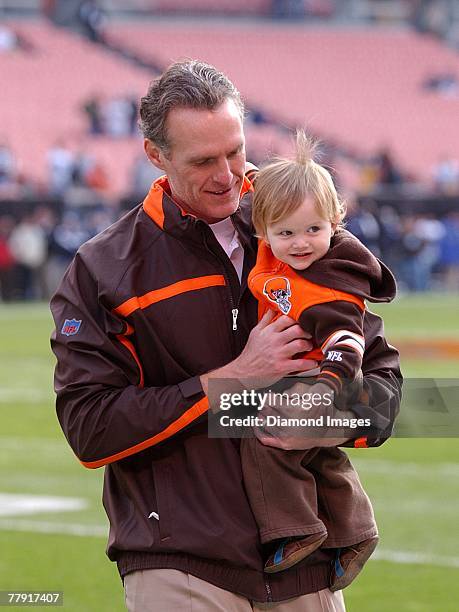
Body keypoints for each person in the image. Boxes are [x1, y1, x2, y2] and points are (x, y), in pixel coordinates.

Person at [50, 60, 401, 611]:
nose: (229, 175)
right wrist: (231, 382)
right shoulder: (104, 268)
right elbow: (90, 429)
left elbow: (388, 397)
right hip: (179, 565)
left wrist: (317, 420)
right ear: (155, 156)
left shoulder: (301, 229)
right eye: (204, 160)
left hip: (306, 567)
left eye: (235, 151)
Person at [240, 131, 396, 587]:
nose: (301, 243)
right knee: (320, 455)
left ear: (335, 222)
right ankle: (356, 530)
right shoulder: (276, 249)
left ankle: (297, 528)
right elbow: (262, 197)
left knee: (263, 435)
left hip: (326, 377)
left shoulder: (327, 284)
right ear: (262, 232)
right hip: (311, 371)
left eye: (313, 230)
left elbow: (348, 341)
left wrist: (324, 387)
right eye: (285, 233)